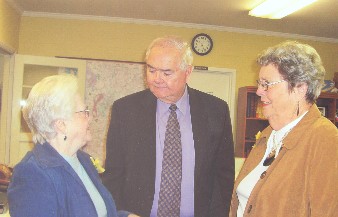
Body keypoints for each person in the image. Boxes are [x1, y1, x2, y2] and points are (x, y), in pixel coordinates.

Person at [103, 36, 235, 217]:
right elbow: (114, 174)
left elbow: (223, 177)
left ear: (188, 72)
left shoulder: (215, 110)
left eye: (166, 73)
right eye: (151, 70)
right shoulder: (125, 110)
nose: (157, 79)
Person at [229, 41, 338, 217]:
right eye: (259, 83)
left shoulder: (325, 140)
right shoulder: (267, 137)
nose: (258, 91)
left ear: (300, 88)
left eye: (267, 84)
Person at [7, 74, 138, 217]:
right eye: (84, 112)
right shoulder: (32, 173)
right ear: (61, 125)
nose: (90, 118)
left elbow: (98, 212)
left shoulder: (83, 160)